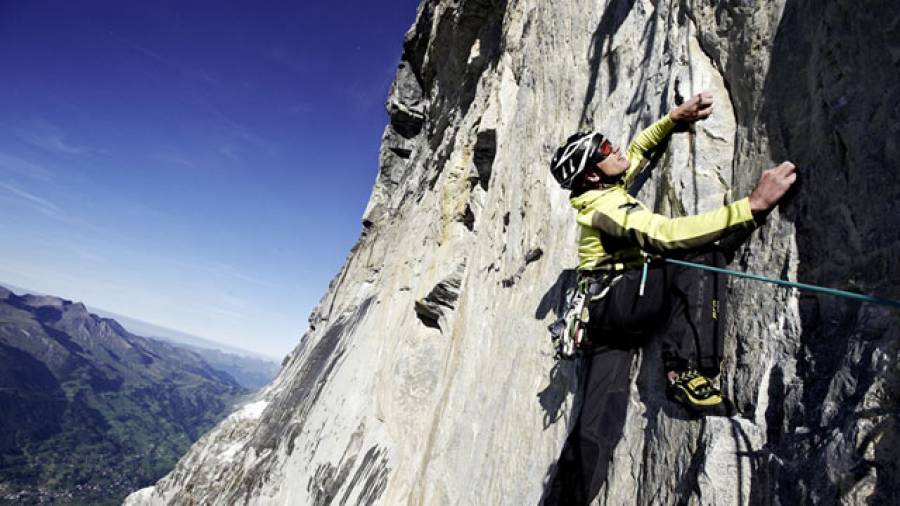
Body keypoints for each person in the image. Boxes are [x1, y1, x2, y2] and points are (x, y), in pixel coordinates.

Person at [543, 92, 797, 503]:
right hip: (621, 302)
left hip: (603, 319)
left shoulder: (597, 191)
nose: (617, 148)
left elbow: (639, 151)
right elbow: (663, 235)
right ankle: (685, 371)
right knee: (697, 252)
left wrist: (672, 119)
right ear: (591, 174)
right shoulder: (605, 205)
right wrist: (750, 206)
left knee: (596, 424)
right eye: (605, 149)